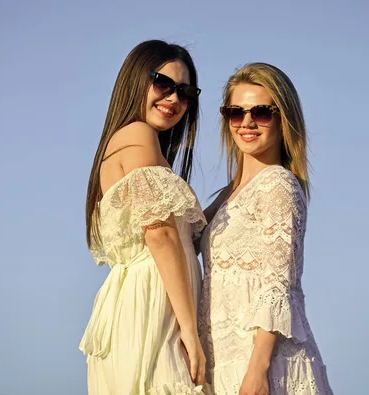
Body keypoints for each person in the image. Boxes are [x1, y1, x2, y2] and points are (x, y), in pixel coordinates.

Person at [79, 39, 207, 395]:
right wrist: (190, 332)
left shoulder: (137, 144)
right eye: (163, 84)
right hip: (154, 307)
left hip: (147, 303)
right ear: (136, 80)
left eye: (184, 92)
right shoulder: (138, 134)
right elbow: (160, 235)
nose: (174, 99)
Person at [197, 63, 333, 395]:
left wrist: (257, 372)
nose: (246, 122)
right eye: (235, 112)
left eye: (261, 112)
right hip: (225, 360)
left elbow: (277, 288)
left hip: (265, 367)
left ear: (283, 118)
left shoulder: (277, 185)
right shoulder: (229, 195)